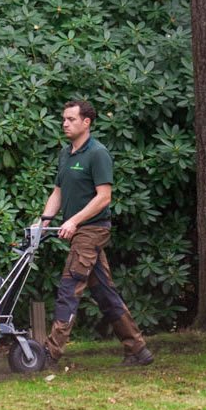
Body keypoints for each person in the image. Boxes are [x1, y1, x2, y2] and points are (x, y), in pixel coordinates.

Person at [35, 100, 153, 367]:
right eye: (63, 119)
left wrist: (74, 221)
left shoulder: (98, 153)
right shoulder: (66, 154)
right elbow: (58, 192)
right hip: (77, 231)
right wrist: (44, 222)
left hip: (92, 230)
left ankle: (50, 353)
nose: (65, 123)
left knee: (70, 285)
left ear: (86, 122)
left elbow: (104, 198)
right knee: (104, 292)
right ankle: (138, 350)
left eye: (71, 119)